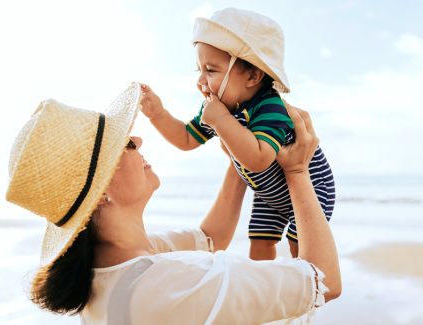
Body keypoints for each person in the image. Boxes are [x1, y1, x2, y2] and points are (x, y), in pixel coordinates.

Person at [6, 83, 341, 324]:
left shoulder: (105, 268)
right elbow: (321, 282)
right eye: (124, 143)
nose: (138, 139)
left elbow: (212, 237)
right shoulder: (177, 281)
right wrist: (297, 172)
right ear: (103, 193)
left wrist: (242, 152)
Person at [140, 7, 336, 261]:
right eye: (198, 69)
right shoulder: (220, 108)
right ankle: (262, 289)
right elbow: (187, 139)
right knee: (260, 243)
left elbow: (259, 159)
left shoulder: (270, 108)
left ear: (253, 75)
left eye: (210, 70)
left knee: (301, 250)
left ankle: (303, 293)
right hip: (269, 194)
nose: (201, 80)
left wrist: (221, 121)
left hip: (311, 188)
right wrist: (158, 114)